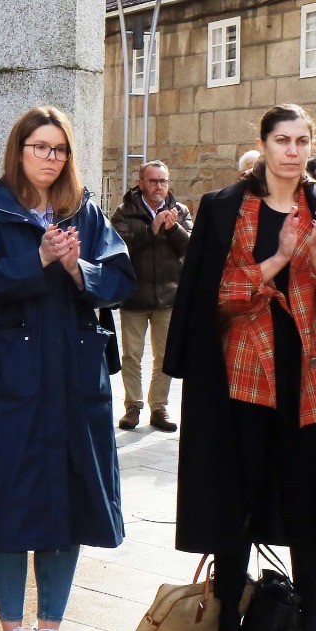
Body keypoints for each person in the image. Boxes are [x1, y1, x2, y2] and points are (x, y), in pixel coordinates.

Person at [165, 104, 316, 631]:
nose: (292, 150)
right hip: (243, 380)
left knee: (308, 506)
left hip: (314, 381)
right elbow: (217, 297)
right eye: (282, 140)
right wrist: (282, 256)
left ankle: (308, 630)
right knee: (239, 503)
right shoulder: (222, 207)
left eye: (301, 140)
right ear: (262, 144)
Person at [0, 107, 135, 631]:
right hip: (6, 385)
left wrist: (79, 270)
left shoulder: (86, 213)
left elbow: (121, 278)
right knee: (6, 508)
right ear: (18, 150)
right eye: (39, 147)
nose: (50, 158)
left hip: (73, 385)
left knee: (65, 506)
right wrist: (39, 258)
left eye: (59, 149)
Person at [110, 160, 192, 431]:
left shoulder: (180, 211)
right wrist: (151, 230)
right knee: (131, 355)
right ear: (141, 183)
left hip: (168, 296)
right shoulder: (124, 212)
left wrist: (173, 229)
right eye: (154, 181)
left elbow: (191, 248)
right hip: (134, 295)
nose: (159, 187)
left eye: (163, 181)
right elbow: (118, 248)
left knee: (165, 355)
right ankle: (133, 406)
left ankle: (159, 406)